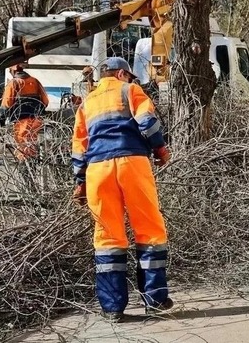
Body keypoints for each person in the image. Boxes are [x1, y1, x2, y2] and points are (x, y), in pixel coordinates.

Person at [71, 57, 173, 322]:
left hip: (97, 171)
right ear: (121, 74)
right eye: (129, 76)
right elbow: (146, 122)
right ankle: (155, 299)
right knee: (149, 228)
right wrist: (161, 149)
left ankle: (113, 308)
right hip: (132, 163)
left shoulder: (87, 102)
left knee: (107, 237)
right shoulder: (129, 90)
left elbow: (79, 146)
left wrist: (80, 182)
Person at [0, 62, 49, 162]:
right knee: (32, 144)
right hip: (36, 118)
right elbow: (45, 101)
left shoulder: (14, 83)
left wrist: (0, 120)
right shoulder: (34, 81)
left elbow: (6, 104)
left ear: (13, 70)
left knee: (22, 146)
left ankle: (26, 170)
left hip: (20, 120)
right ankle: (32, 166)